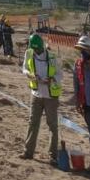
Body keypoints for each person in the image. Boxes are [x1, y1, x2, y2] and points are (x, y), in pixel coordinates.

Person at [21, 33, 62, 163]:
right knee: (33, 123)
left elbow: (60, 75)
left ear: (41, 47)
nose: (36, 51)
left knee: (52, 125)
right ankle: (28, 152)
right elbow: (25, 69)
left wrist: (52, 79)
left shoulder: (52, 57)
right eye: (34, 49)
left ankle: (52, 155)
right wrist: (31, 75)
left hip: (51, 96)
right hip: (36, 94)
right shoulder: (29, 53)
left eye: (37, 49)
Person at [72, 34, 90, 144]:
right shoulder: (78, 64)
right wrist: (77, 101)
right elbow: (76, 84)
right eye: (81, 49)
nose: (82, 52)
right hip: (86, 105)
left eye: (85, 50)